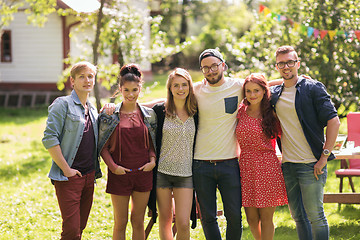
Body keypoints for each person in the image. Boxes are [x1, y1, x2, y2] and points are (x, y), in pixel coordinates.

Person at [270, 46, 340, 240]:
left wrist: (324, 157)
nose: (286, 67)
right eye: (281, 63)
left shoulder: (313, 88)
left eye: (290, 62)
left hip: (311, 165)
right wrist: (286, 78)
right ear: (277, 66)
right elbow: (255, 85)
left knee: (316, 216)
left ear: (298, 63)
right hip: (288, 165)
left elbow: (334, 122)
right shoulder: (275, 94)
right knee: (298, 217)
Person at [42, 61, 102, 240]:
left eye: (90, 76)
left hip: (89, 175)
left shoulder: (92, 109)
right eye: (81, 76)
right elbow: (49, 138)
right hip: (68, 177)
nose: (87, 80)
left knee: (80, 227)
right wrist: (66, 169)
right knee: (71, 230)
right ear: (72, 81)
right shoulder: (62, 104)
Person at [97, 64, 157, 240]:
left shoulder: (149, 115)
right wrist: (113, 167)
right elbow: (103, 147)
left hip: (143, 174)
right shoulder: (110, 115)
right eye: (126, 90)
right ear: (120, 90)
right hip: (119, 174)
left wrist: (152, 161)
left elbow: (153, 143)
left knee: (138, 221)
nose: (131, 94)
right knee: (120, 222)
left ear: (140, 88)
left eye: (135, 90)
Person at [193, 49, 243, 240]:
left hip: (229, 163)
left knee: (234, 216)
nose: (211, 70)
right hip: (201, 164)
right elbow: (168, 99)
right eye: (205, 68)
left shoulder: (238, 86)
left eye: (214, 66)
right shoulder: (196, 90)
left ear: (223, 65)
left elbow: (264, 85)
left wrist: (294, 80)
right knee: (208, 217)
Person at [235, 73, 288, 240]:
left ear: (264, 91)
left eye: (256, 90)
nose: (252, 95)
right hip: (245, 166)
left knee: (266, 219)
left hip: (267, 167)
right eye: (248, 91)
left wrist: (300, 79)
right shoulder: (240, 111)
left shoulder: (272, 113)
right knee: (251, 219)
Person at [151, 68, 198, 240]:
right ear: (170, 88)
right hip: (163, 172)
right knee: (165, 220)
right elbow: (135, 106)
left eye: (184, 85)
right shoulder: (160, 111)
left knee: (183, 223)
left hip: (185, 174)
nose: (180, 89)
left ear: (189, 87)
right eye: (176, 85)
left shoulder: (196, 111)